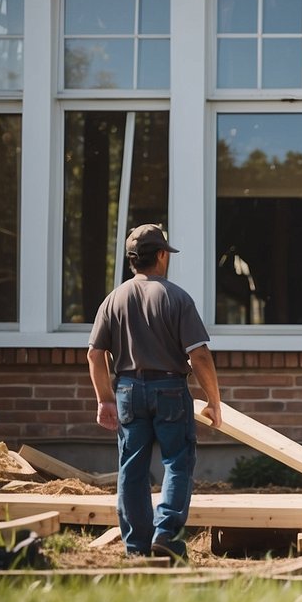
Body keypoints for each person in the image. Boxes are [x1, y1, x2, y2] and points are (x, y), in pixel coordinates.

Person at [87, 224, 223, 562]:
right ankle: (168, 535)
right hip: (170, 390)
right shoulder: (176, 297)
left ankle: (136, 547)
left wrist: (104, 398)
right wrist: (213, 401)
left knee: (131, 468)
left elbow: (94, 353)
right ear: (161, 255)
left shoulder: (113, 299)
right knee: (177, 462)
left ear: (132, 260)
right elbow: (200, 355)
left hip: (128, 390)